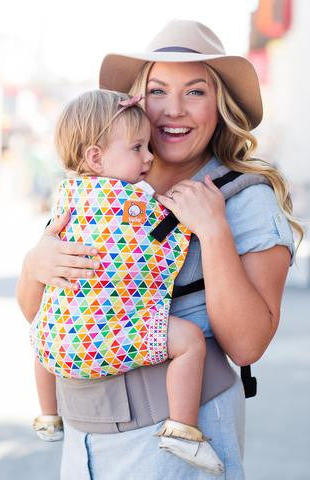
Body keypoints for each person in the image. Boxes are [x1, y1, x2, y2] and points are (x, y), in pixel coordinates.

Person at [16, 20, 301, 479]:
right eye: (158, 91)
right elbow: (41, 315)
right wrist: (35, 265)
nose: (173, 110)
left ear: (220, 104)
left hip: (178, 444)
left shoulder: (244, 197)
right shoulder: (102, 186)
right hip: (84, 441)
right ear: (134, 100)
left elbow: (247, 345)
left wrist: (213, 233)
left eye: (195, 92)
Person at [30, 88, 224, 474]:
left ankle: (48, 415)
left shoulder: (67, 197)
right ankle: (183, 430)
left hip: (59, 347)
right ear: (96, 157)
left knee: (41, 330)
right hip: (105, 333)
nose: (149, 157)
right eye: (137, 147)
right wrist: (194, 216)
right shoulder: (132, 202)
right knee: (187, 343)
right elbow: (161, 238)